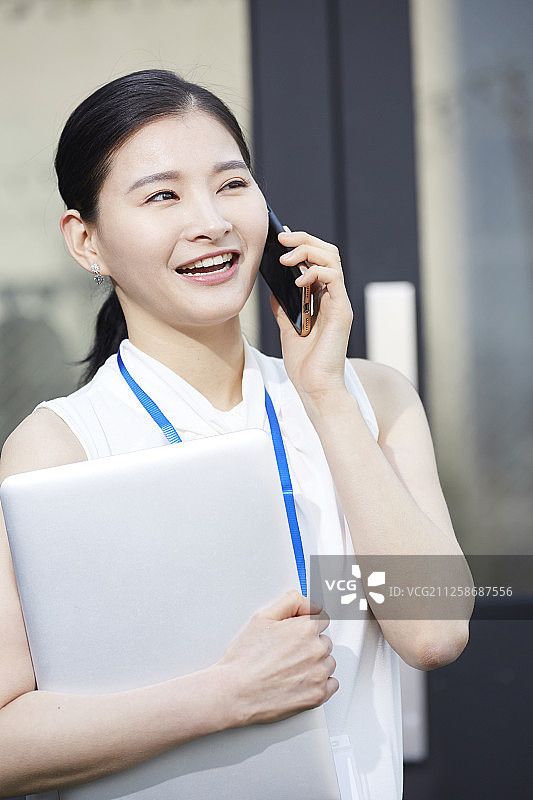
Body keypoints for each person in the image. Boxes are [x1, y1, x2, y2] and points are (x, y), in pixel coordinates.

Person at [0, 69, 470, 800]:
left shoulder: (369, 397)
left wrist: (324, 393)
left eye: (231, 184)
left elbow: (433, 630)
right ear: (85, 241)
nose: (211, 221)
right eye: (162, 195)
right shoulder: (61, 446)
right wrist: (227, 695)